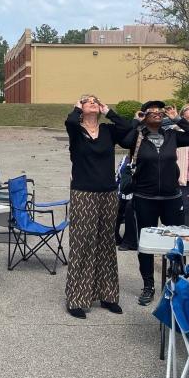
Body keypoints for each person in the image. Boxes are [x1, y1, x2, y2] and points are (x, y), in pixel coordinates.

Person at [122, 100, 189, 306]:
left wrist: (178, 119)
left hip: (171, 197)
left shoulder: (172, 135)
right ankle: (148, 285)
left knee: (177, 242)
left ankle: (177, 282)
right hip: (145, 198)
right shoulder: (138, 137)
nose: (158, 113)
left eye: (161, 111)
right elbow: (124, 141)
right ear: (145, 115)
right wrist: (135, 122)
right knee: (146, 245)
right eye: (153, 111)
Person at [63, 95, 134, 319]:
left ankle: (108, 295)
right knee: (82, 244)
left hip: (108, 193)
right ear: (80, 107)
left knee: (105, 244)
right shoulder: (76, 131)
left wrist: (108, 111)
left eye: (96, 100)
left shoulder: (107, 131)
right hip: (84, 193)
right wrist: (76, 109)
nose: (93, 102)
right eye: (87, 100)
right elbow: (71, 122)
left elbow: (128, 131)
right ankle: (77, 298)